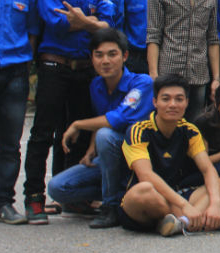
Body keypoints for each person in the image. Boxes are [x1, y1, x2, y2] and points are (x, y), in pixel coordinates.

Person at [24, 0, 115, 223]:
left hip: (85, 70)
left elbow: (109, 27)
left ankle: (72, 197)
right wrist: (92, 22)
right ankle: (34, 198)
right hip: (54, 66)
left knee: (78, 132)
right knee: (43, 132)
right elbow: (58, 23)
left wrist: (83, 21)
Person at [46, 28, 154, 228]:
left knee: (106, 135)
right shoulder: (96, 85)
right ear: (92, 58)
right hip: (108, 156)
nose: (105, 61)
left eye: (112, 54)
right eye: (99, 55)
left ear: (125, 56)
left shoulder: (142, 83)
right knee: (57, 188)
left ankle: (110, 206)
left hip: (138, 159)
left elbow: (117, 119)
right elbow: (102, 117)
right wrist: (91, 149)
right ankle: (120, 194)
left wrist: (77, 124)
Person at [119, 74, 220, 236]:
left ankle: (180, 223)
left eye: (179, 99)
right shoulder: (138, 131)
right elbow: (146, 175)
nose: (173, 104)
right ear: (155, 102)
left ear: (187, 103)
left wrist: (215, 204)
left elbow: (207, 169)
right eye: (166, 99)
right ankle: (196, 220)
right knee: (144, 190)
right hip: (148, 201)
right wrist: (185, 206)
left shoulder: (190, 131)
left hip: (178, 194)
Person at [146, 0, 220, 122]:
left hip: (199, 75)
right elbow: (153, 36)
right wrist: (154, 75)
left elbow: (212, 38)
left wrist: (216, 77)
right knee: (167, 123)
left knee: (195, 125)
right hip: (169, 72)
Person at [0, 0, 40, 224]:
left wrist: (25, 67)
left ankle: (3, 202)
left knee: (10, 142)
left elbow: (33, 33)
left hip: (14, 73)